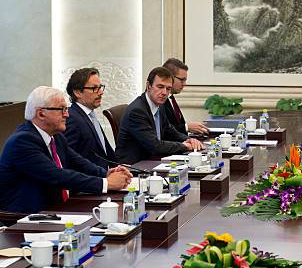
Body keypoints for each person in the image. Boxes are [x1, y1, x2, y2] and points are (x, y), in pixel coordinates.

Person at [0, 87, 132, 213]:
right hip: (26, 217)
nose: (67, 114)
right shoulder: (22, 142)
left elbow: (78, 162)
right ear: (41, 114)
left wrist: (106, 173)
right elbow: (57, 175)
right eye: (62, 109)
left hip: (54, 209)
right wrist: (106, 183)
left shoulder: (55, 136)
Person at [115, 67, 203, 164]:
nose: (164, 93)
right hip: (135, 165)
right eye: (160, 87)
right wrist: (184, 146)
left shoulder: (159, 106)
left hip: (152, 160)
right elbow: (154, 146)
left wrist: (190, 140)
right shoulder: (137, 111)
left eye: (168, 88)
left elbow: (170, 131)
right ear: (148, 86)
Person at [64, 68, 117, 169]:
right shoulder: (71, 119)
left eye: (100, 87)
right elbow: (69, 160)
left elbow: (105, 151)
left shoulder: (90, 115)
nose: (101, 92)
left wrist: (121, 169)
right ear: (77, 92)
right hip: (91, 180)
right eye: (94, 88)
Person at [162, 58, 208, 136]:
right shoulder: (159, 100)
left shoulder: (171, 98)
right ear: (169, 77)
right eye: (182, 80)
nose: (184, 84)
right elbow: (163, 130)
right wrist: (186, 127)